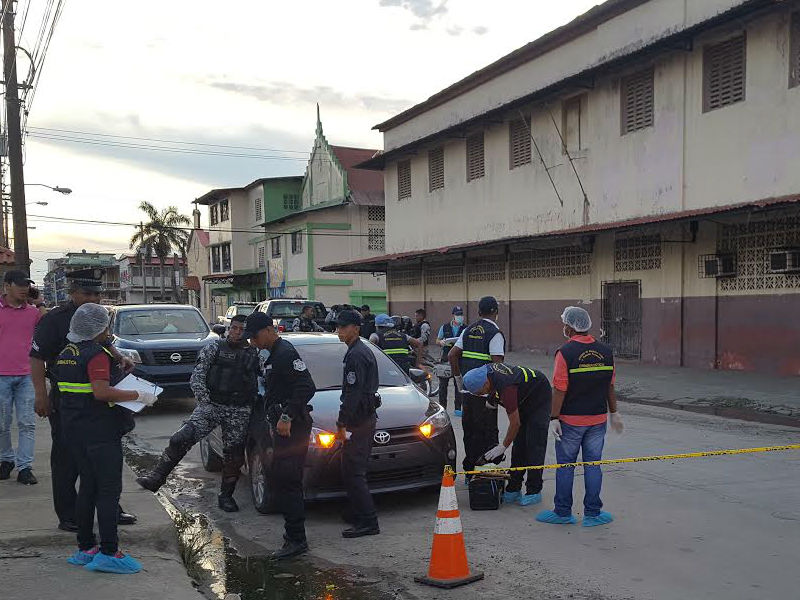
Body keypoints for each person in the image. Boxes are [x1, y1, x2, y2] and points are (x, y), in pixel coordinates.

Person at [30, 268, 138, 531]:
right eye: (86, 293)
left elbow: (104, 341)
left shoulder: (96, 316)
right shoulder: (54, 320)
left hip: (99, 405)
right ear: (72, 292)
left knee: (102, 459)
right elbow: (36, 358)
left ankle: (110, 508)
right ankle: (68, 514)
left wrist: (119, 356)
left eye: (96, 294)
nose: (93, 298)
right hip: (69, 403)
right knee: (67, 458)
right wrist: (41, 396)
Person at [56, 303, 157, 574]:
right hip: (100, 431)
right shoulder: (96, 356)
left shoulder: (67, 352)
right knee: (109, 492)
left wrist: (114, 352)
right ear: (100, 328)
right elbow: (101, 393)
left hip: (75, 431)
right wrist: (138, 395)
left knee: (87, 487)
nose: (109, 330)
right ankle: (110, 552)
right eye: (107, 326)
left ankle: (85, 548)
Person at [135, 314, 260, 512]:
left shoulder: (255, 353)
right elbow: (198, 377)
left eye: (241, 329)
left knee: (234, 456)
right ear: (229, 328)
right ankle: (156, 477)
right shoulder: (214, 348)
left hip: (239, 409)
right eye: (234, 328)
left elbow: (264, 379)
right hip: (212, 405)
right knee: (180, 438)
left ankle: (226, 496)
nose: (237, 333)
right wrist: (205, 402)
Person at [536, 306, 623, 528]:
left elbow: (559, 389)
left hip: (571, 421)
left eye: (564, 323)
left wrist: (554, 417)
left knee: (566, 466)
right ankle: (593, 513)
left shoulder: (565, 353)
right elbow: (610, 386)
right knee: (593, 465)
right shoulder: (606, 351)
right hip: (597, 420)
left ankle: (563, 512)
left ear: (570, 326)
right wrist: (614, 412)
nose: (563, 326)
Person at [244, 312, 316, 559]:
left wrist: (287, 416)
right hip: (283, 427)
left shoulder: (285, 353)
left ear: (267, 330)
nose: (253, 342)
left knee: (289, 482)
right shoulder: (272, 354)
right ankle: (293, 535)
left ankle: (296, 540)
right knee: (284, 480)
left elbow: (307, 386)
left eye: (254, 337)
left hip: (293, 428)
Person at [462, 362, 552, 506]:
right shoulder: (486, 374)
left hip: (539, 396)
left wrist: (503, 446)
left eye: (480, 392)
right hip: (522, 396)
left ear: (486, 383)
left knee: (534, 444)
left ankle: (534, 490)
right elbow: (490, 406)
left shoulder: (507, 388)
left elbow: (515, 423)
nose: (481, 395)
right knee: (518, 445)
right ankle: (514, 487)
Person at [335, 309, 380, 538]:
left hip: (359, 420)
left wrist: (342, 422)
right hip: (364, 417)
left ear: (355, 328)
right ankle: (357, 512)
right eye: (338, 327)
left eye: (343, 327)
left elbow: (352, 394)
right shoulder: (359, 350)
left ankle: (368, 521)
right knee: (351, 469)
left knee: (354, 471)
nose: (339, 331)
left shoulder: (356, 354)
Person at [448, 296, 504, 475]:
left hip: (467, 392)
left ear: (479, 312)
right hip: (485, 394)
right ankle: (486, 474)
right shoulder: (494, 333)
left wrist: (458, 380)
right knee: (488, 433)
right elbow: (497, 367)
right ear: (496, 312)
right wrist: (494, 395)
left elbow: (452, 355)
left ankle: (469, 470)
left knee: (470, 431)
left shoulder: (468, 330)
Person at [0, 270, 43, 485]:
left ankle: (25, 467)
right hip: (1, 376)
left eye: (27, 284)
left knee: (27, 423)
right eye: (19, 284)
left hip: (26, 375)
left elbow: (48, 329)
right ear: (7, 286)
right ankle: (6, 459)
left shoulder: (33, 312)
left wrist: (40, 302)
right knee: (1, 424)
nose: (24, 288)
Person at [435, 306, 465, 415]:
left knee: (459, 385)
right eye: (458, 315)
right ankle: (443, 408)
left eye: (461, 314)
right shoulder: (445, 327)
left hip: (460, 360)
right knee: (443, 386)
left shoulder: (465, 328)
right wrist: (441, 342)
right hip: (445, 360)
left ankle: (458, 408)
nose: (460, 317)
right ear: (453, 316)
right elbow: (437, 340)